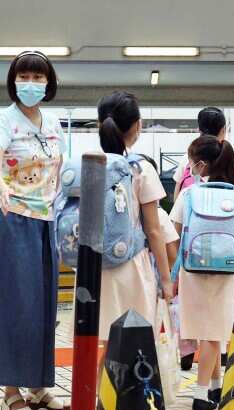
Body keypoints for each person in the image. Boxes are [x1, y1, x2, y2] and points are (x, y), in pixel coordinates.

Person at [0, 51, 68, 410]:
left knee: (44, 305)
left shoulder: (52, 122)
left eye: (38, 77)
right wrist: (1, 187)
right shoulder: (4, 121)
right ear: (14, 81)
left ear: (48, 83)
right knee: (16, 304)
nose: (31, 83)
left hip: (46, 220)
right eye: (25, 76)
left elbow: (60, 169)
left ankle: (37, 386)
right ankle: (10, 394)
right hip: (13, 217)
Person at [169, 135, 234, 410]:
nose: (189, 167)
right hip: (229, 270)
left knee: (207, 331)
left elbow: (173, 235)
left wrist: (174, 271)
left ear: (202, 164)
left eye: (191, 162)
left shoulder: (189, 194)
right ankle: (213, 387)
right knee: (214, 330)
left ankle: (201, 393)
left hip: (193, 269)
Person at [94, 91, 175, 342]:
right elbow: (153, 230)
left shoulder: (88, 166)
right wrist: (165, 279)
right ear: (137, 127)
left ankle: (100, 384)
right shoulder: (141, 168)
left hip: (94, 266)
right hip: (132, 264)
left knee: (107, 345)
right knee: (134, 342)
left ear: (100, 125)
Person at [173, 106, 234, 200]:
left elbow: (177, 196)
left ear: (199, 130)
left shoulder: (188, 157)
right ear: (223, 129)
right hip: (229, 211)